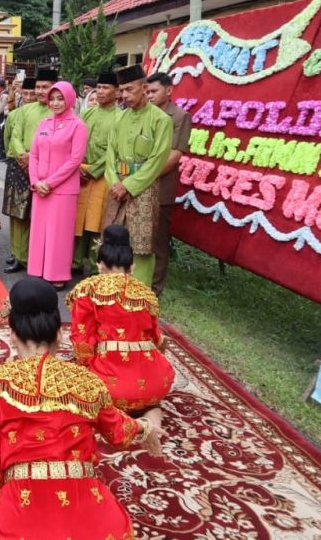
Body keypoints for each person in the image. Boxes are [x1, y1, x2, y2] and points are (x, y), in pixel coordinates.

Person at [0, 277, 164, 540]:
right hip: (92, 520)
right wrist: (145, 427)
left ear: (11, 333)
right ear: (59, 333)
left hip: (21, 518)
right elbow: (118, 430)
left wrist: (3, 499)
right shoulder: (87, 383)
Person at [68, 224, 173, 433]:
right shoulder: (146, 294)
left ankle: (115, 420)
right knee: (149, 402)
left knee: (71, 387)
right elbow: (156, 339)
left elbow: (82, 342)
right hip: (155, 383)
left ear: (100, 265)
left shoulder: (87, 290)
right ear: (132, 266)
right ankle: (151, 419)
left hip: (111, 386)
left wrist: (86, 368)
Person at [104, 64, 173, 286]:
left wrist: (129, 185)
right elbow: (110, 155)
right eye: (121, 90)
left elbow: (157, 160)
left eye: (129, 90)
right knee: (112, 238)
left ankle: (137, 295)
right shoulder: (119, 118)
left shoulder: (161, 120)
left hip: (144, 188)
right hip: (116, 189)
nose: (124, 95)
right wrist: (115, 182)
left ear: (144, 88)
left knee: (140, 245)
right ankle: (108, 288)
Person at [27, 81, 89, 289]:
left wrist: (50, 183)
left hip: (62, 190)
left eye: (60, 98)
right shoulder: (44, 124)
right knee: (39, 230)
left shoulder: (78, 125)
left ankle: (58, 274)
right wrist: (35, 181)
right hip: (40, 189)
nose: (55, 103)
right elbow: (33, 154)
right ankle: (37, 269)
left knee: (59, 233)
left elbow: (75, 160)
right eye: (52, 98)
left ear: (70, 99)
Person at [3, 70, 54, 274]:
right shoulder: (24, 111)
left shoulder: (57, 112)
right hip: (20, 165)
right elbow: (14, 136)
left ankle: (36, 256)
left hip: (44, 171)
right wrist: (22, 156)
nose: (40, 92)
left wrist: (32, 158)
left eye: (44, 87)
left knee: (38, 216)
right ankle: (18, 255)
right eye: (38, 88)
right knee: (17, 214)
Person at [145, 71, 192, 296]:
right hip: (137, 184)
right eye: (147, 91)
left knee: (158, 240)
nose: (150, 96)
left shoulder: (180, 116)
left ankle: (154, 289)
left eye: (154, 91)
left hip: (160, 185)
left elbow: (174, 156)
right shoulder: (144, 114)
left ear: (169, 91)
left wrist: (144, 177)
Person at [73, 72, 121, 274]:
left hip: (102, 175)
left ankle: (94, 266)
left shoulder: (121, 117)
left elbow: (115, 150)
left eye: (105, 88)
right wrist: (76, 166)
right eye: (98, 87)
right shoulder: (87, 114)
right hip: (79, 171)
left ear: (117, 92)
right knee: (77, 220)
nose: (100, 92)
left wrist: (94, 170)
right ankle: (74, 262)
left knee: (96, 221)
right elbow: (75, 141)